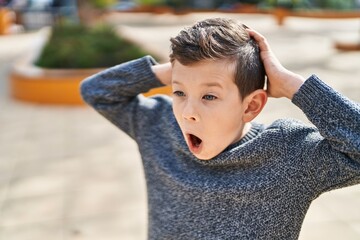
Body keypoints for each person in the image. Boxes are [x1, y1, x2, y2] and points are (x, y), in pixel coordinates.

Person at [80, 18, 360, 239]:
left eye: (209, 96)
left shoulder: (289, 154)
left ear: (250, 106)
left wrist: (292, 86)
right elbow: (96, 91)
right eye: (179, 93)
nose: (188, 113)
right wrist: (171, 72)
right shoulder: (159, 127)